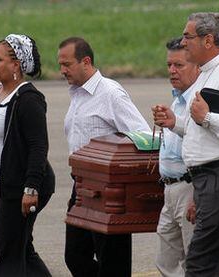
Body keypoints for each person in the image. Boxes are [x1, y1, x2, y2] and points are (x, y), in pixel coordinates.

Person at [153, 12, 219, 276]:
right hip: (207, 180)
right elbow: (196, 128)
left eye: (188, 36)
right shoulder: (206, 74)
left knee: (200, 263)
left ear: (208, 40)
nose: (184, 42)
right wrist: (175, 122)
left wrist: (208, 118)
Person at [58, 37, 150, 277]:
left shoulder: (110, 93)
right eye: (60, 65)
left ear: (86, 62)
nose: (62, 70)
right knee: (75, 256)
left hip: (109, 190)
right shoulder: (77, 93)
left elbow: (143, 136)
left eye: (67, 64)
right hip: (81, 187)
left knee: (113, 260)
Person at [0, 34, 55, 276]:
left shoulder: (28, 99)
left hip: (24, 185)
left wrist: (30, 189)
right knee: (21, 250)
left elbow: (39, 147)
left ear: (16, 65)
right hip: (2, 182)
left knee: (8, 256)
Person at [155, 37, 199, 277]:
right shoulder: (177, 98)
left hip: (189, 187)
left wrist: (198, 195)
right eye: (169, 65)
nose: (172, 71)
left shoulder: (199, 99)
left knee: (194, 259)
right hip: (169, 190)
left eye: (179, 65)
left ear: (196, 65)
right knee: (166, 261)